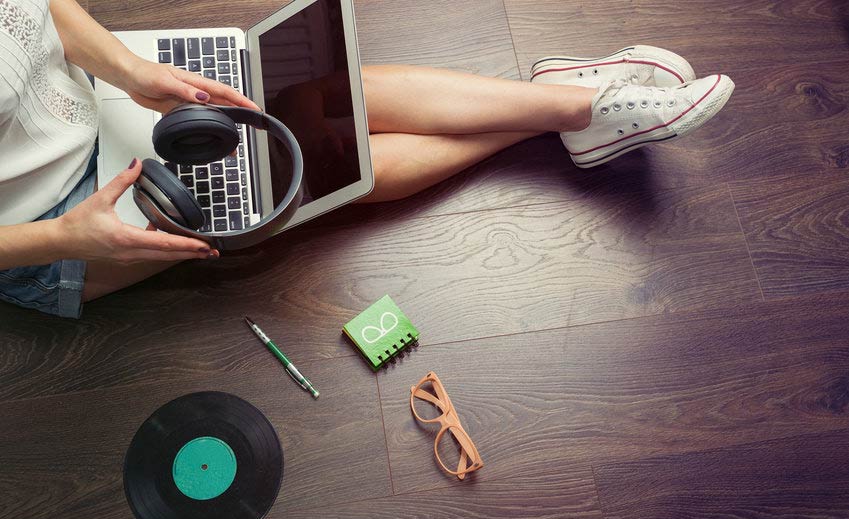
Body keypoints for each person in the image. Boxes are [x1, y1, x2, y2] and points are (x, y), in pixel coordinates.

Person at [0, 0, 734, 318]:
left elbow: (48, 12)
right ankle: (577, 110)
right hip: (55, 220)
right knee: (307, 180)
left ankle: (570, 111)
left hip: (95, 98)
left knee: (321, 97)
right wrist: (67, 240)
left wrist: (130, 72)